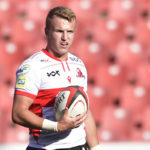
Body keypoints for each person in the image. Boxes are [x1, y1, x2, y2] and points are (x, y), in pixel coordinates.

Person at [12, 6, 100, 150]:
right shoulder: (32, 66)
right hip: (46, 147)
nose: (65, 38)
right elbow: (18, 113)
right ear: (47, 32)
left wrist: (96, 148)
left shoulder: (78, 64)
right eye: (59, 31)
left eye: (70, 32)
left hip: (79, 146)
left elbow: (84, 109)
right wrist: (57, 127)